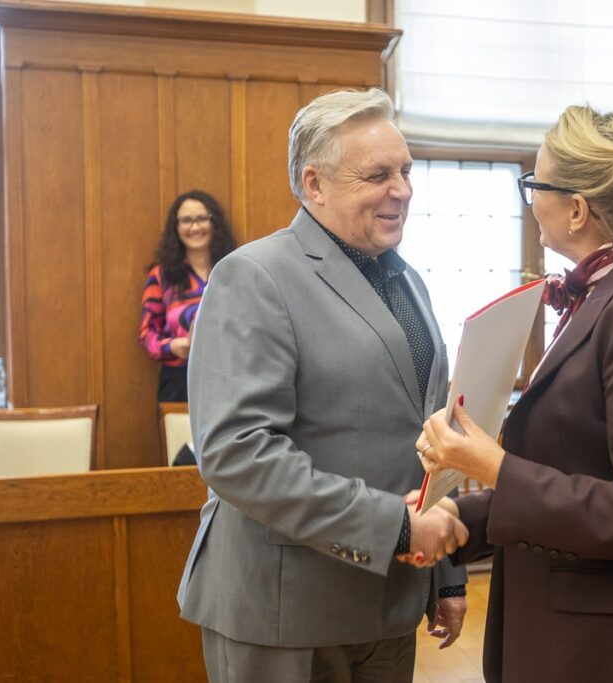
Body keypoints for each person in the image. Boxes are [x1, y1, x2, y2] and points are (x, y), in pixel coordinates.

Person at [412, 104, 613, 682]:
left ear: (577, 210)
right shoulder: (603, 296)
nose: (530, 200)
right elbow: (576, 467)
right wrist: (463, 512)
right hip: (571, 627)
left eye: (535, 185)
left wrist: (494, 467)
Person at [176, 88, 469, 683]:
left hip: (390, 606)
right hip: (283, 611)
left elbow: (426, 431)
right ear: (315, 184)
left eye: (406, 171)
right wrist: (394, 527)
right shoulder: (253, 277)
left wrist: (445, 573)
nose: (403, 190)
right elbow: (237, 453)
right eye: (378, 175)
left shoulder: (407, 281)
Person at [138, 190, 236, 402]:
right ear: (176, 227)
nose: (195, 227)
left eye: (202, 218)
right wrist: (171, 346)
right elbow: (147, 334)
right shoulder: (161, 275)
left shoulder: (234, 269)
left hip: (230, 376)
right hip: (179, 381)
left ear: (214, 223)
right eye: (186, 220)